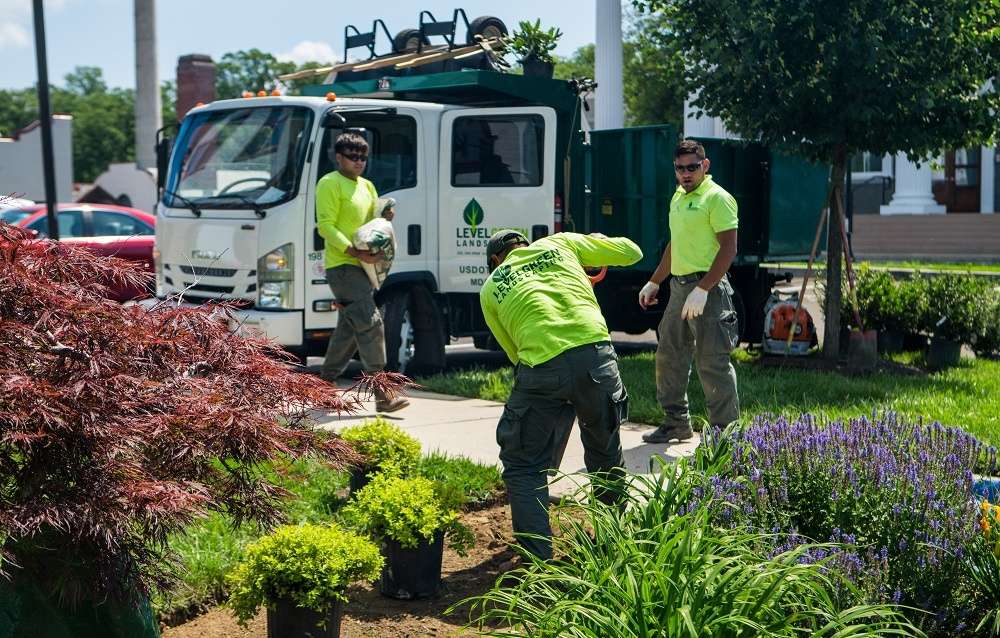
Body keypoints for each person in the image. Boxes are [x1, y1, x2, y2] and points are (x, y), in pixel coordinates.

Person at [481, 229, 642, 560]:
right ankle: (613, 548)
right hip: (596, 358)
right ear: (524, 245)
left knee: (523, 465)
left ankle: (539, 564)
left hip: (541, 368)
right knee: (605, 454)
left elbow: (515, 354)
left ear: (495, 260)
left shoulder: (493, 285)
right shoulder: (561, 243)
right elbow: (632, 251)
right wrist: (594, 239)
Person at [638, 139, 740, 443]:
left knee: (712, 362)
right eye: (680, 168)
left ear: (705, 166)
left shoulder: (717, 198)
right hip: (680, 288)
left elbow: (729, 248)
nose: (686, 174)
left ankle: (726, 438)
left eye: (692, 167)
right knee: (669, 355)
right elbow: (676, 243)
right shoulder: (679, 197)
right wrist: (656, 280)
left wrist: (704, 288)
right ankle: (676, 423)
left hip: (708, 289)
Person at [317, 131, 408, 413]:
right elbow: (326, 226)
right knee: (371, 323)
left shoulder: (367, 186)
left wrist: (385, 218)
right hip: (343, 266)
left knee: (350, 328)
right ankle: (383, 394)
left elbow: (373, 226)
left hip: (364, 268)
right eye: (352, 157)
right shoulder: (330, 183)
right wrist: (355, 252)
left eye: (363, 157)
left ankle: (324, 385)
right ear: (339, 157)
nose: (358, 162)